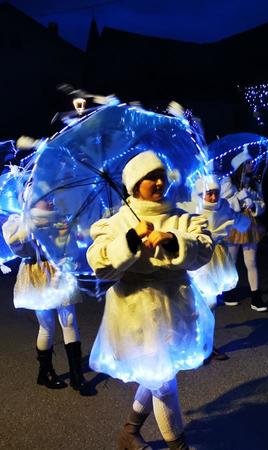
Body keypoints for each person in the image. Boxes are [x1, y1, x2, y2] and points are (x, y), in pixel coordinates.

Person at [87, 151, 213, 450]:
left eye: (160, 176)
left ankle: (129, 433)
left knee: (158, 371)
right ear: (134, 184)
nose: (159, 182)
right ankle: (178, 445)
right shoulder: (116, 223)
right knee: (163, 381)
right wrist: (130, 239)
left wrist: (172, 239)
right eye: (150, 178)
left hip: (176, 308)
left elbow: (205, 249)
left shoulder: (181, 217)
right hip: (135, 313)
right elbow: (99, 265)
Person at [2, 201, 86, 392]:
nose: (49, 200)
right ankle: (45, 371)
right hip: (37, 275)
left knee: (69, 320)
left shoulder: (60, 218)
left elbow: (72, 250)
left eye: (51, 195)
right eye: (43, 195)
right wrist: (33, 227)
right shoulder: (18, 221)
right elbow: (16, 246)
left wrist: (67, 235)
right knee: (47, 325)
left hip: (60, 273)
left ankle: (76, 375)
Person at [178, 174, 250, 361]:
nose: (212, 197)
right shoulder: (191, 208)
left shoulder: (224, 206)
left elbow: (241, 223)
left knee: (210, 305)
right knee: (194, 304)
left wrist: (244, 209)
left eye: (215, 193)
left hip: (218, 260)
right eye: (208, 193)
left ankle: (207, 346)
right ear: (201, 193)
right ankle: (190, 343)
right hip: (198, 259)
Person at [222, 149, 268, 312]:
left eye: (251, 162)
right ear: (240, 166)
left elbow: (262, 205)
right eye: (248, 162)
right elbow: (224, 204)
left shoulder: (254, 182)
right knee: (232, 261)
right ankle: (229, 292)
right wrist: (239, 198)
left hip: (249, 224)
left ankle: (256, 298)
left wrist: (253, 204)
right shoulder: (228, 184)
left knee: (251, 262)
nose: (252, 164)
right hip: (234, 225)